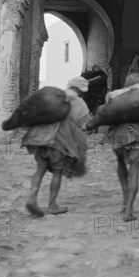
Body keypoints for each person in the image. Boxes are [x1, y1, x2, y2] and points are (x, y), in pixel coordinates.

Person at [23, 77, 90, 217]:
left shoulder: (53, 95)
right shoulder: (81, 104)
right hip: (58, 142)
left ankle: (32, 197)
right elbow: (80, 128)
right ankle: (52, 205)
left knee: (40, 169)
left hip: (38, 137)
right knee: (57, 172)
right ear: (81, 90)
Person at [107, 56, 139, 222]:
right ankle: (129, 211)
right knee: (134, 174)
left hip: (121, 136)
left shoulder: (119, 96)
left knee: (121, 166)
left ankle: (123, 202)